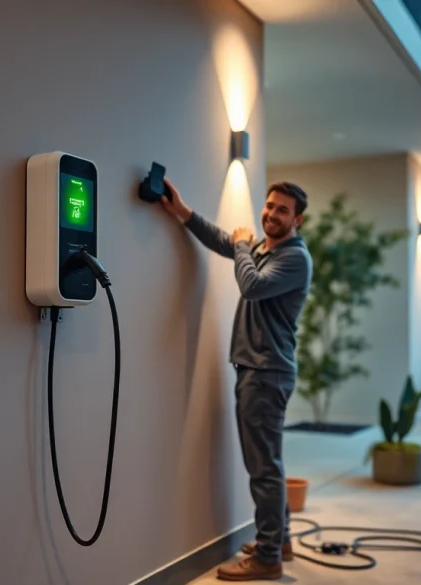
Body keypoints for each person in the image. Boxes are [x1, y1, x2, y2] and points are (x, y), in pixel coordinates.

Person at [159, 177, 313, 581]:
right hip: (259, 369)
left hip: (266, 373)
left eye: (282, 210)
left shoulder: (295, 258)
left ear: (297, 219)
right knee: (269, 464)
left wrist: (243, 244)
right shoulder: (265, 248)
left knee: (262, 468)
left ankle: (266, 558)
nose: (272, 214)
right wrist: (183, 212)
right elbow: (226, 242)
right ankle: (279, 541)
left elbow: (251, 285)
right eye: (270, 205)